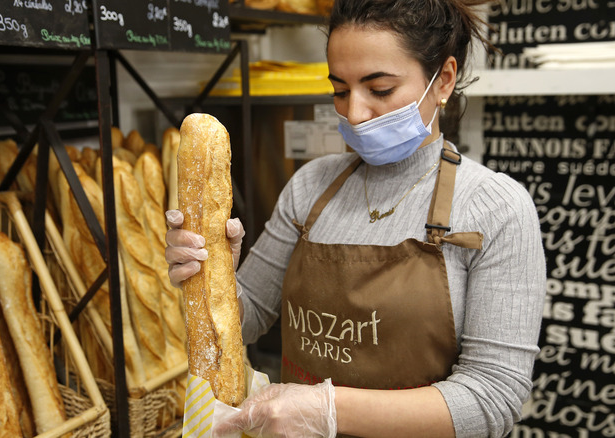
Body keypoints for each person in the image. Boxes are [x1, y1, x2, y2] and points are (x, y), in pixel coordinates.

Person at [165, 0, 546, 436]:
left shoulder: (496, 207)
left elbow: (493, 396)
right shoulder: (310, 186)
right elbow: (247, 318)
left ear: (443, 80)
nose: (355, 113)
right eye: (340, 91)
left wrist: (328, 408)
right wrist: (209, 275)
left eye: (379, 89)